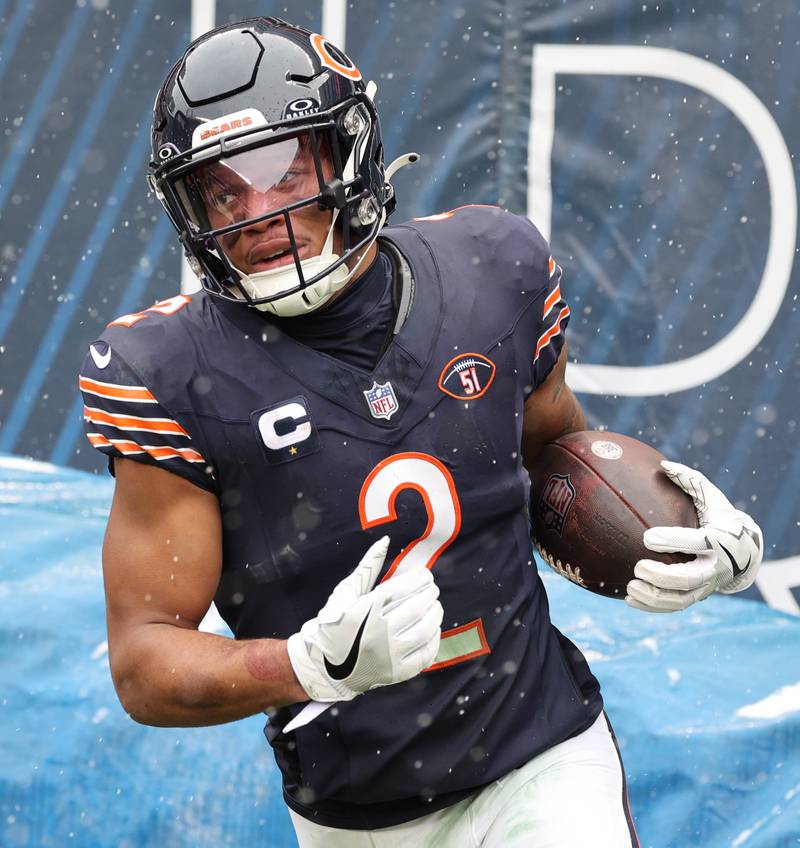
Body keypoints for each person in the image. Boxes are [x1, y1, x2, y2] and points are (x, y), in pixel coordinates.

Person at [79, 17, 763, 847]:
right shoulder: (168, 371)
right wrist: (299, 666)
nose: (257, 213)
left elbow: (554, 471)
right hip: (356, 811)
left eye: (283, 173)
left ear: (348, 154)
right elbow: (144, 662)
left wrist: (683, 535)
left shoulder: (492, 270)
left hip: (543, 756)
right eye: (222, 191)